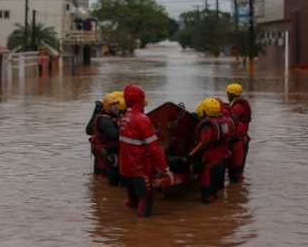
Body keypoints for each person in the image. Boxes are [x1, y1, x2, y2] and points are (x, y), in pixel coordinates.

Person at [119, 84, 174, 217]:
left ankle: (125, 229)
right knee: (146, 205)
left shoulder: (124, 118)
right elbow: (154, 149)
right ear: (141, 99)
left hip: (126, 169)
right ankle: (142, 234)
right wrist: (166, 169)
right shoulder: (142, 119)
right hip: (140, 170)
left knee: (132, 202)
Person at [187, 98, 230, 204]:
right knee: (215, 190)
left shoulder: (207, 125)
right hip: (220, 157)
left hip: (210, 159)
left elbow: (204, 143)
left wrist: (190, 155)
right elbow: (227, 136)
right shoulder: (222, 120)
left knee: (207, 192)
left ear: (205, 111)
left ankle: (208, 212)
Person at [87, 92, 122, 185]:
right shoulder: (105, 121)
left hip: (104, 151)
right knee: (104, 177)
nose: (116, 107)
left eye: (117, 104)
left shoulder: (109, 117)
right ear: (107, 106)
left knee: (100, 173)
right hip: (106, 152)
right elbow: (115, 135)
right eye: (113, 105)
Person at [226, 83, 252, 183]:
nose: (227, 95)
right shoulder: (238, 104)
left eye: (228, 93)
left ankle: (236, 193)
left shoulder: (238, 107)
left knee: (236, 172)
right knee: (236, 172)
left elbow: (231, 121)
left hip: (239, 143)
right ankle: (238, 192)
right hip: (240, 141)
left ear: (232, 94)